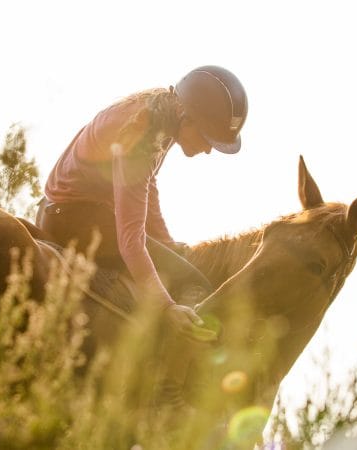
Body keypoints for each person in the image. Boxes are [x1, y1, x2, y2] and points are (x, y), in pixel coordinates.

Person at [36, 65, 248, 342]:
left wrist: (166, 242)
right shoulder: (141, 137)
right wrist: (168, 307)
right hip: (77, 220)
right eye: (208, 139)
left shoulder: (160, 115)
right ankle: (167, 383)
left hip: (71, 213)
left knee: (173, 264)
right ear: (186, 116)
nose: (209, 149)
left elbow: (147, 186)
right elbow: (130, 241)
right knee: (194, 284)